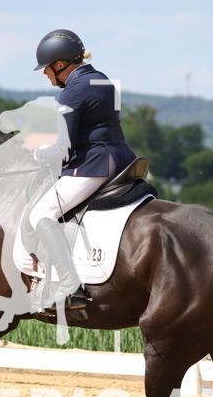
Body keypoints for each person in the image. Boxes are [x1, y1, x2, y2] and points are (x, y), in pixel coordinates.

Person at [29, 29, 137, 309]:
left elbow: (63, 150)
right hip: (123, 159)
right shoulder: (102, 80)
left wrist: (36, 155)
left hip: (93, 165)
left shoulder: (71, 94)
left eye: (47, 69)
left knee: (42, 214)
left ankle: (70, 286)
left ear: (60, 65)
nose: (46, 76)